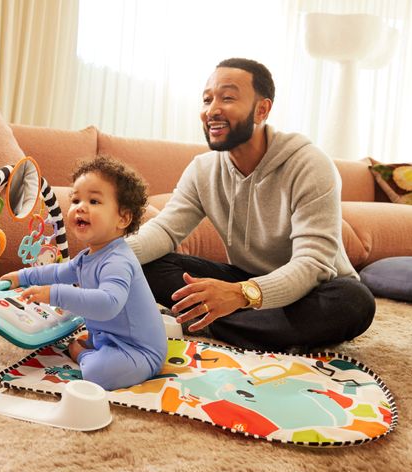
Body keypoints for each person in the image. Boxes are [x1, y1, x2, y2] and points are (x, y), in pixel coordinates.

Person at [125, 57, 375, 352]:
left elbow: (312, 264)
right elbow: (165, 232)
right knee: (145, 263)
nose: (212, 110)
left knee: (355, 302)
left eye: (227, 98)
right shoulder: (203, 169)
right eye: (207, 100)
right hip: (248, 279)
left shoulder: (310, 164)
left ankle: (208, 322)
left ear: (262, 109)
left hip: (313, 287)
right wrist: (102, 257)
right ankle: (257, 330)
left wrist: (241, 294)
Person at [0, 155, 167, 390]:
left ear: (123, 218)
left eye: (94, 201)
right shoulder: (89, 256)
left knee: (96, 373)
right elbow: (59, 272)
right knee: (99, 349)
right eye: (76, 199)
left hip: (139, 352)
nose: (80, 207)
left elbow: (108, 303)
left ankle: (81, 355)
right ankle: (99, 349)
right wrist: (22, 276)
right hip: (110, 339)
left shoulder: (118, 260)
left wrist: (54, 294)